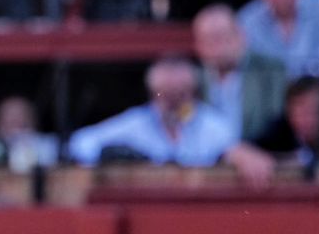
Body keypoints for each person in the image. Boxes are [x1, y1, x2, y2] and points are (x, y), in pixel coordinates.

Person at [67, 55, 241, 169]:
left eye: (180, 94)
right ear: (153, 94)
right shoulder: (136, 123)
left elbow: (235, 151)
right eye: (165, 95)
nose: (174, 104)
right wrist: (124, 155)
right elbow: (81, 142)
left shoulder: (214, 126)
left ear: (194, 92)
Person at [192, 3, 287, 142]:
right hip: (208, 160)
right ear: (198, 46)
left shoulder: (271, 72)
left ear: (241, 36)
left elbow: (275, 123)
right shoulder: (193, 81)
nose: (216, 47)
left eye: (221, 37)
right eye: (208, 40)